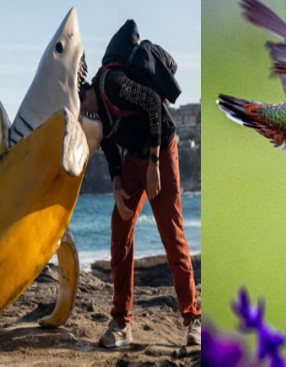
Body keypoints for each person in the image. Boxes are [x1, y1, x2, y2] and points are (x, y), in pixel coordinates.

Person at [80, 21, 201, 348]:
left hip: (160, 150)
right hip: (135, 159)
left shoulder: (114, 85)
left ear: (84, 97)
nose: (83, 121)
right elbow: (108, 146)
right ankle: (121, 324)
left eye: (80, 113)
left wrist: (153, 163)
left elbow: (151, 104)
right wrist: (118, 183)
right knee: (120, 231)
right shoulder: (95, 116)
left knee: (170, 230)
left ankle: (193, 320)